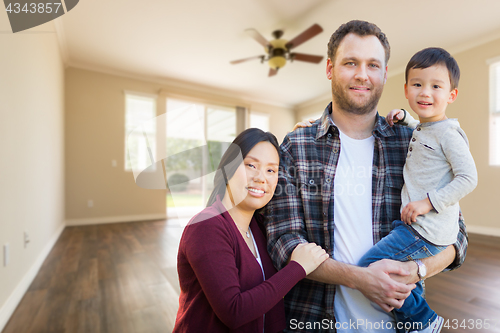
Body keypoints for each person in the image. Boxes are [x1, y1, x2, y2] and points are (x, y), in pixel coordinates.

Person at [265, 20, 469, 333]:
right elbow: (283, 241)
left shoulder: (411, 141)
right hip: (316, 321)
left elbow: (457, 235)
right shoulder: (297, 146)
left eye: (373, 64)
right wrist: (362, 279)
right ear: (331, 69)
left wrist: (417, 269)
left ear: (385, 73)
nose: (363, 74)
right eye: (351, 63)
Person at [357, 47, 477, 332]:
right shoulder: (425, 128)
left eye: (436, 86)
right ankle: (411, 326)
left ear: (451, 95)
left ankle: (423, 320)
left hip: (424, 228)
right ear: (407, 90)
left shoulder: (449, 133)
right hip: (416, 225)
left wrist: (428, 203)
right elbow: (424, 136)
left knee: (369, 266)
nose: (425, 92)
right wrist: (405, 119)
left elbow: (468, 178)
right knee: (410, 280)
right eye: (418, 84)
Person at [173, 128, 329, 333]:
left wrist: (308, 133)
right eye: (251, 165)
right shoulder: (206, 226)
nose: (261, 178)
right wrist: (297, 267)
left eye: (271, 170)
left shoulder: (259, 226)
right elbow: (234, 311)